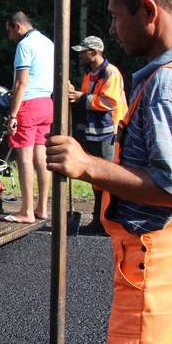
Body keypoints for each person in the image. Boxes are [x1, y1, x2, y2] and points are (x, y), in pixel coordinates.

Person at [46, 0, 172, 344]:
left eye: (115, 16)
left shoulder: (169, 85)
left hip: (156, 268)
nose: (112, 30)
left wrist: (85, 165)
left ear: (148, 12)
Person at [68, 36, 127, 232]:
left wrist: (81, 97)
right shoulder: (89, 73)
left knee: (108, 177)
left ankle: (108, 221)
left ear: (94, 52)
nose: (80, 56)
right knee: (96, 178)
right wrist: (75, 96)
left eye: (83, 52)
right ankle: (97, 220)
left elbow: (110, 102)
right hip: (93, 132)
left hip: (108, 133)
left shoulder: (111, 73)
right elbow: (88, 98)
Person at [3, 11, 54, 223]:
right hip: (46, 103)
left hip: (28, 105)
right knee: (41, 157)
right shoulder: (48, 43)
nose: (10, 37)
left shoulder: (24, 45)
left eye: (9, 31)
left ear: (17, 26)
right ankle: (42, 207)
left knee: (24, 159)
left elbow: (21, 83)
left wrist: (12, 114)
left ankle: (26, 211)